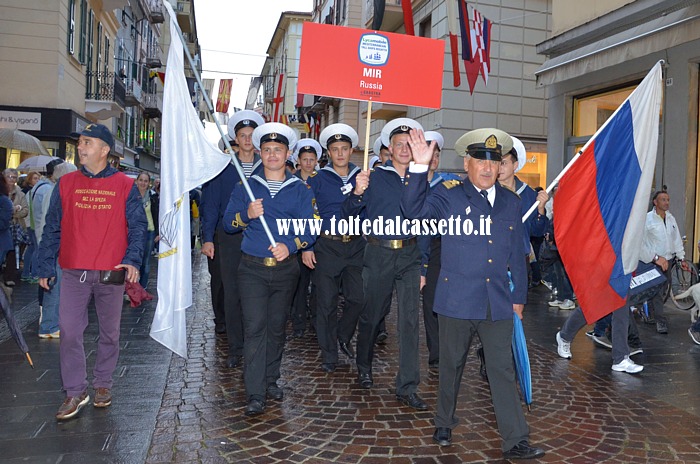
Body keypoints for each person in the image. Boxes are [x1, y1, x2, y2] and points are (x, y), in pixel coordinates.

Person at [401, 127, 545, 459]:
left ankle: (515, 440)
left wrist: (519, 299)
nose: (487, 168)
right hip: (457, 299)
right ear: (467, 163)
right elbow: (413, 211)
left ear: (502, 166)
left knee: (502, 370)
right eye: (480, 160)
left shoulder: (511, 201)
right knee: (451, 364)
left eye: (494, 162)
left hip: (497, 301)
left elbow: (517, 253)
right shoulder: (449, 195)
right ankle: (443, 421)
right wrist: (420, 167)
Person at [36, 123, 146, 420]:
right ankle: (75, 391)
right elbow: (52, 227)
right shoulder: (66, 184)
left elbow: (138, 228)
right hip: (74, 270)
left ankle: (102, 383)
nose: (81, 148)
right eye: (80, 143)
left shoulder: (125, 185)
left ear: (105, 150)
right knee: (70, 331)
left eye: (87, 143)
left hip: (112, 271)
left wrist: (133, 260)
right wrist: (45, 264)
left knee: (109, 333)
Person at [222, 122, 316, 416]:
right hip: (252, 269)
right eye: (267, 150)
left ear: (288, 154)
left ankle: (270, 377)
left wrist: (291, 245)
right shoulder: (245, 186)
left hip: (286, 270)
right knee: (255, 328)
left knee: (277, 327)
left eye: (278, 149)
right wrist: (246, 214)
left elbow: (311, 228)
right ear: (260, 153)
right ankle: (255, 391)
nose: (272, 154)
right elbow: (227, 223)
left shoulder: (299, 190)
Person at [344, 117, 427, 411]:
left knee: (409, 321)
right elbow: (349, 214)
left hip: (409, 255)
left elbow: (427, 224)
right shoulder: (373, 177)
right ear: (388, 148)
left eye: (409, 144)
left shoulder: (421, 177)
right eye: (398, 144)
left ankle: (407, 385)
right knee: (372, 313)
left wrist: (424, 266)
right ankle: (363, 365)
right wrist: (356, 192)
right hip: (378, 252)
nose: (404, 149)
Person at [200, 110, 264, 360]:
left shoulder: (268, 166)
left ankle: (255, 342)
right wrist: (207, 238)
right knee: (231, 291)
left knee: (257, 291)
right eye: (242, 135)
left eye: (251, 135)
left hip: (260, 237)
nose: (247, 139)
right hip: (229, 236)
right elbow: (211, 205)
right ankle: (235, 347)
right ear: (235, 139)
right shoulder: (223, 167)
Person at [303, 124, 364, 373]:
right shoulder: (318, 180)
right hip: (327, 245)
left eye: (344, 149)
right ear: (329, 152)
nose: (340, 154)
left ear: (352, 151)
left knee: (358, 298)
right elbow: (307, 214)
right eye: (335, 149)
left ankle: (342, 334)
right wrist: (308, 245)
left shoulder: (363, 177)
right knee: (326, 303)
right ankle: (329, 354)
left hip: (357, 245)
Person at [417, 131, 461, 372]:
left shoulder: (450, 182)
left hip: (448, 246)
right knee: (431, 304)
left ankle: (450, 350)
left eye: (436, 153)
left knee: (453, 303)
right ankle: (436, 355)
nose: (432, 158)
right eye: (428, 152)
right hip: (423, 248)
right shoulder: (412, 181)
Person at [497, 137, 549, 290]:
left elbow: (537, 232)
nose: (499, 168)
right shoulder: (487, 191)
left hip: (519, 259)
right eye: (497, 163)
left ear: (515, 165)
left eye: (504, 163)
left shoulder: (528, 194)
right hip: (491, 258)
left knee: (516, 307)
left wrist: (540, 209)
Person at [35, 162, 78, 340]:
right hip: (55, 247)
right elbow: (51, 224)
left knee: (56, 286)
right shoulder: (55, 192)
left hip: (53, 246)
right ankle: (49, 326)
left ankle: (51, 323)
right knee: (55, 286)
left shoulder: (53, 191)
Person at [640, 190, 686, 334]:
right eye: (663, 199)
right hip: (654, 262)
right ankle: (660, 321)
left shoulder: (671, 219)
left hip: (669, 260)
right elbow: (641, 242)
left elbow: (676, 239)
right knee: (658, 292)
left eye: (668, 199)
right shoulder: (647, 219)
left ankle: (648, 311)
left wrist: (681, 257)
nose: (667, 202)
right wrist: (652, 257)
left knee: (662, 290)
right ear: (655, 202)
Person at [289, 138, 322, 338]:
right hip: (297, 239)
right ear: (298, 161)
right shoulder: (292, 182)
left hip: (319, 240)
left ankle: (317, 321)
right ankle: (299, 322)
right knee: (300, 284)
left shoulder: (323, 180)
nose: (308, 163)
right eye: (305, 159)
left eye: (312, 159)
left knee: (318, 284)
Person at [3, 168, 29, 287]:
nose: (11, 179)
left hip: (15, 226)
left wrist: (12, 213)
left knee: (12, 251)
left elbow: (25, 210)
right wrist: (12, 210)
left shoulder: (20, 193)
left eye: (14, 177)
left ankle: (9, 277)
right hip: (2, 225)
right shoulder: (2, 192)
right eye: (9, 176)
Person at [135, 172, 159, 289]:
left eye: (145, 181)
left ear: (149, 183)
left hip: (149, 232)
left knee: (146, 261)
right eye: (141, 180)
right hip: (134, 232)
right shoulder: (131, 196)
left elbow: (156, 215)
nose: (143, 183)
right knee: (134, 260)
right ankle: (132, 287)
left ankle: (142, 287)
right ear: (137, 181)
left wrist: (158, 232)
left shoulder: (153, 197)